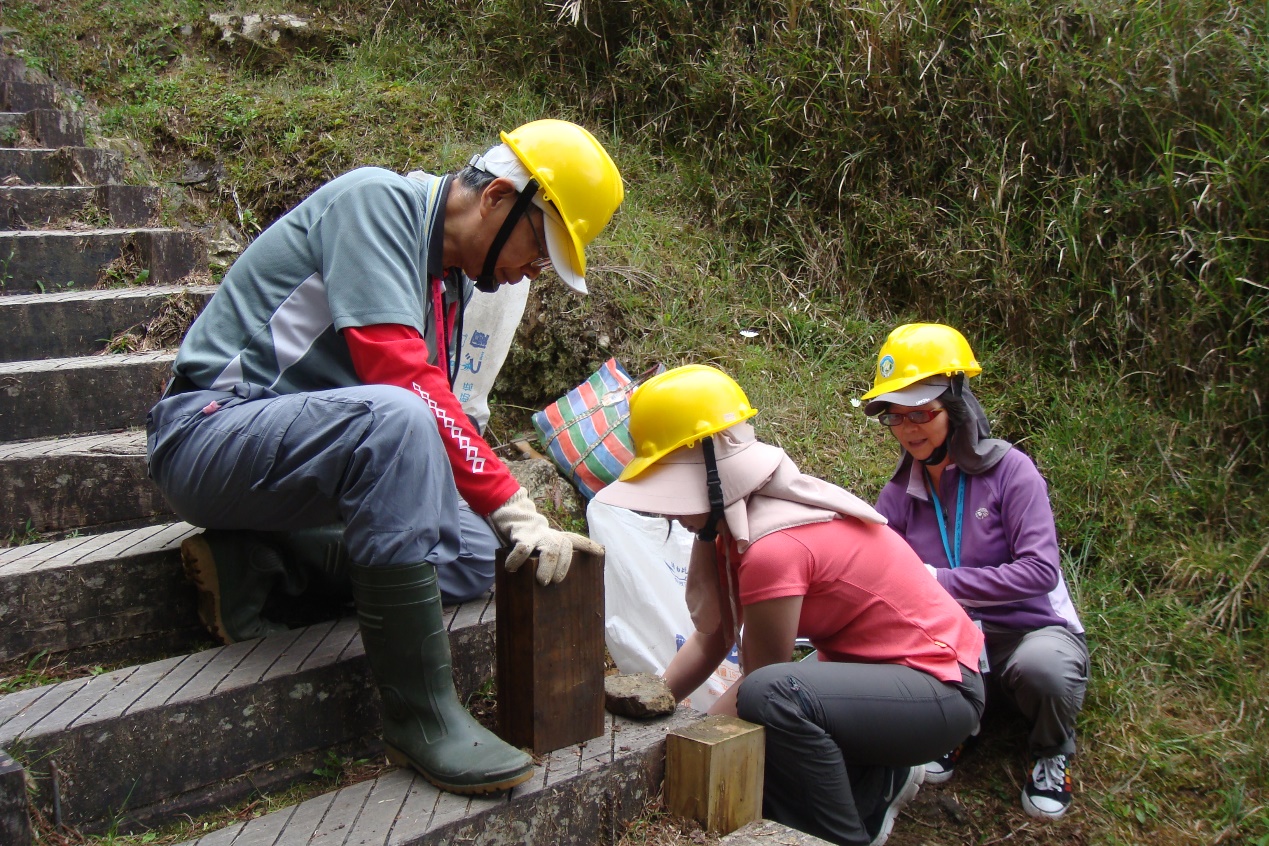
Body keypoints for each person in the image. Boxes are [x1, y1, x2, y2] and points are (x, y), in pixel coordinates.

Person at [145, 119, 623, 794]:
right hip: (208, 435)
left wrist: (501, 519)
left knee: (467, 549)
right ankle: (420, 718)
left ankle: (265, 563)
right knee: (398, 417)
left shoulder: (445, 283)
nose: (527, 272)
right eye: (537, 249)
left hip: (305, 461)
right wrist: (512, 501)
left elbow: (440, 414)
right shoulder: (375, 204)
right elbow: (403, 381)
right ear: (495, 199)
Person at [594, 364, 987, 846]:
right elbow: (713, 637)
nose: (668, 508)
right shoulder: (735, 527)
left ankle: (839, 837)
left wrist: (682, 757)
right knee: (773, 705)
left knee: (773, 701)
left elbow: (761, 685)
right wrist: (656, 705)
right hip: (890, 685)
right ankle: (871, 788)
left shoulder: (771, 547)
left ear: (715, 474)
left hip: (942, 689)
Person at [860, 323, 1089, 820]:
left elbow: (1039, 572)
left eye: (921, 412)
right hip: (951, 638)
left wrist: (940, 580)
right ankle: (952, 729)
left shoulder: (1013, 472)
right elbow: (885, 579)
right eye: (895, 417)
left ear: (957, 406)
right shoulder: (898, 494)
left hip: (1030, 628)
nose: (908, 429)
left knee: (1043, 670)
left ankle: (1052, 750)